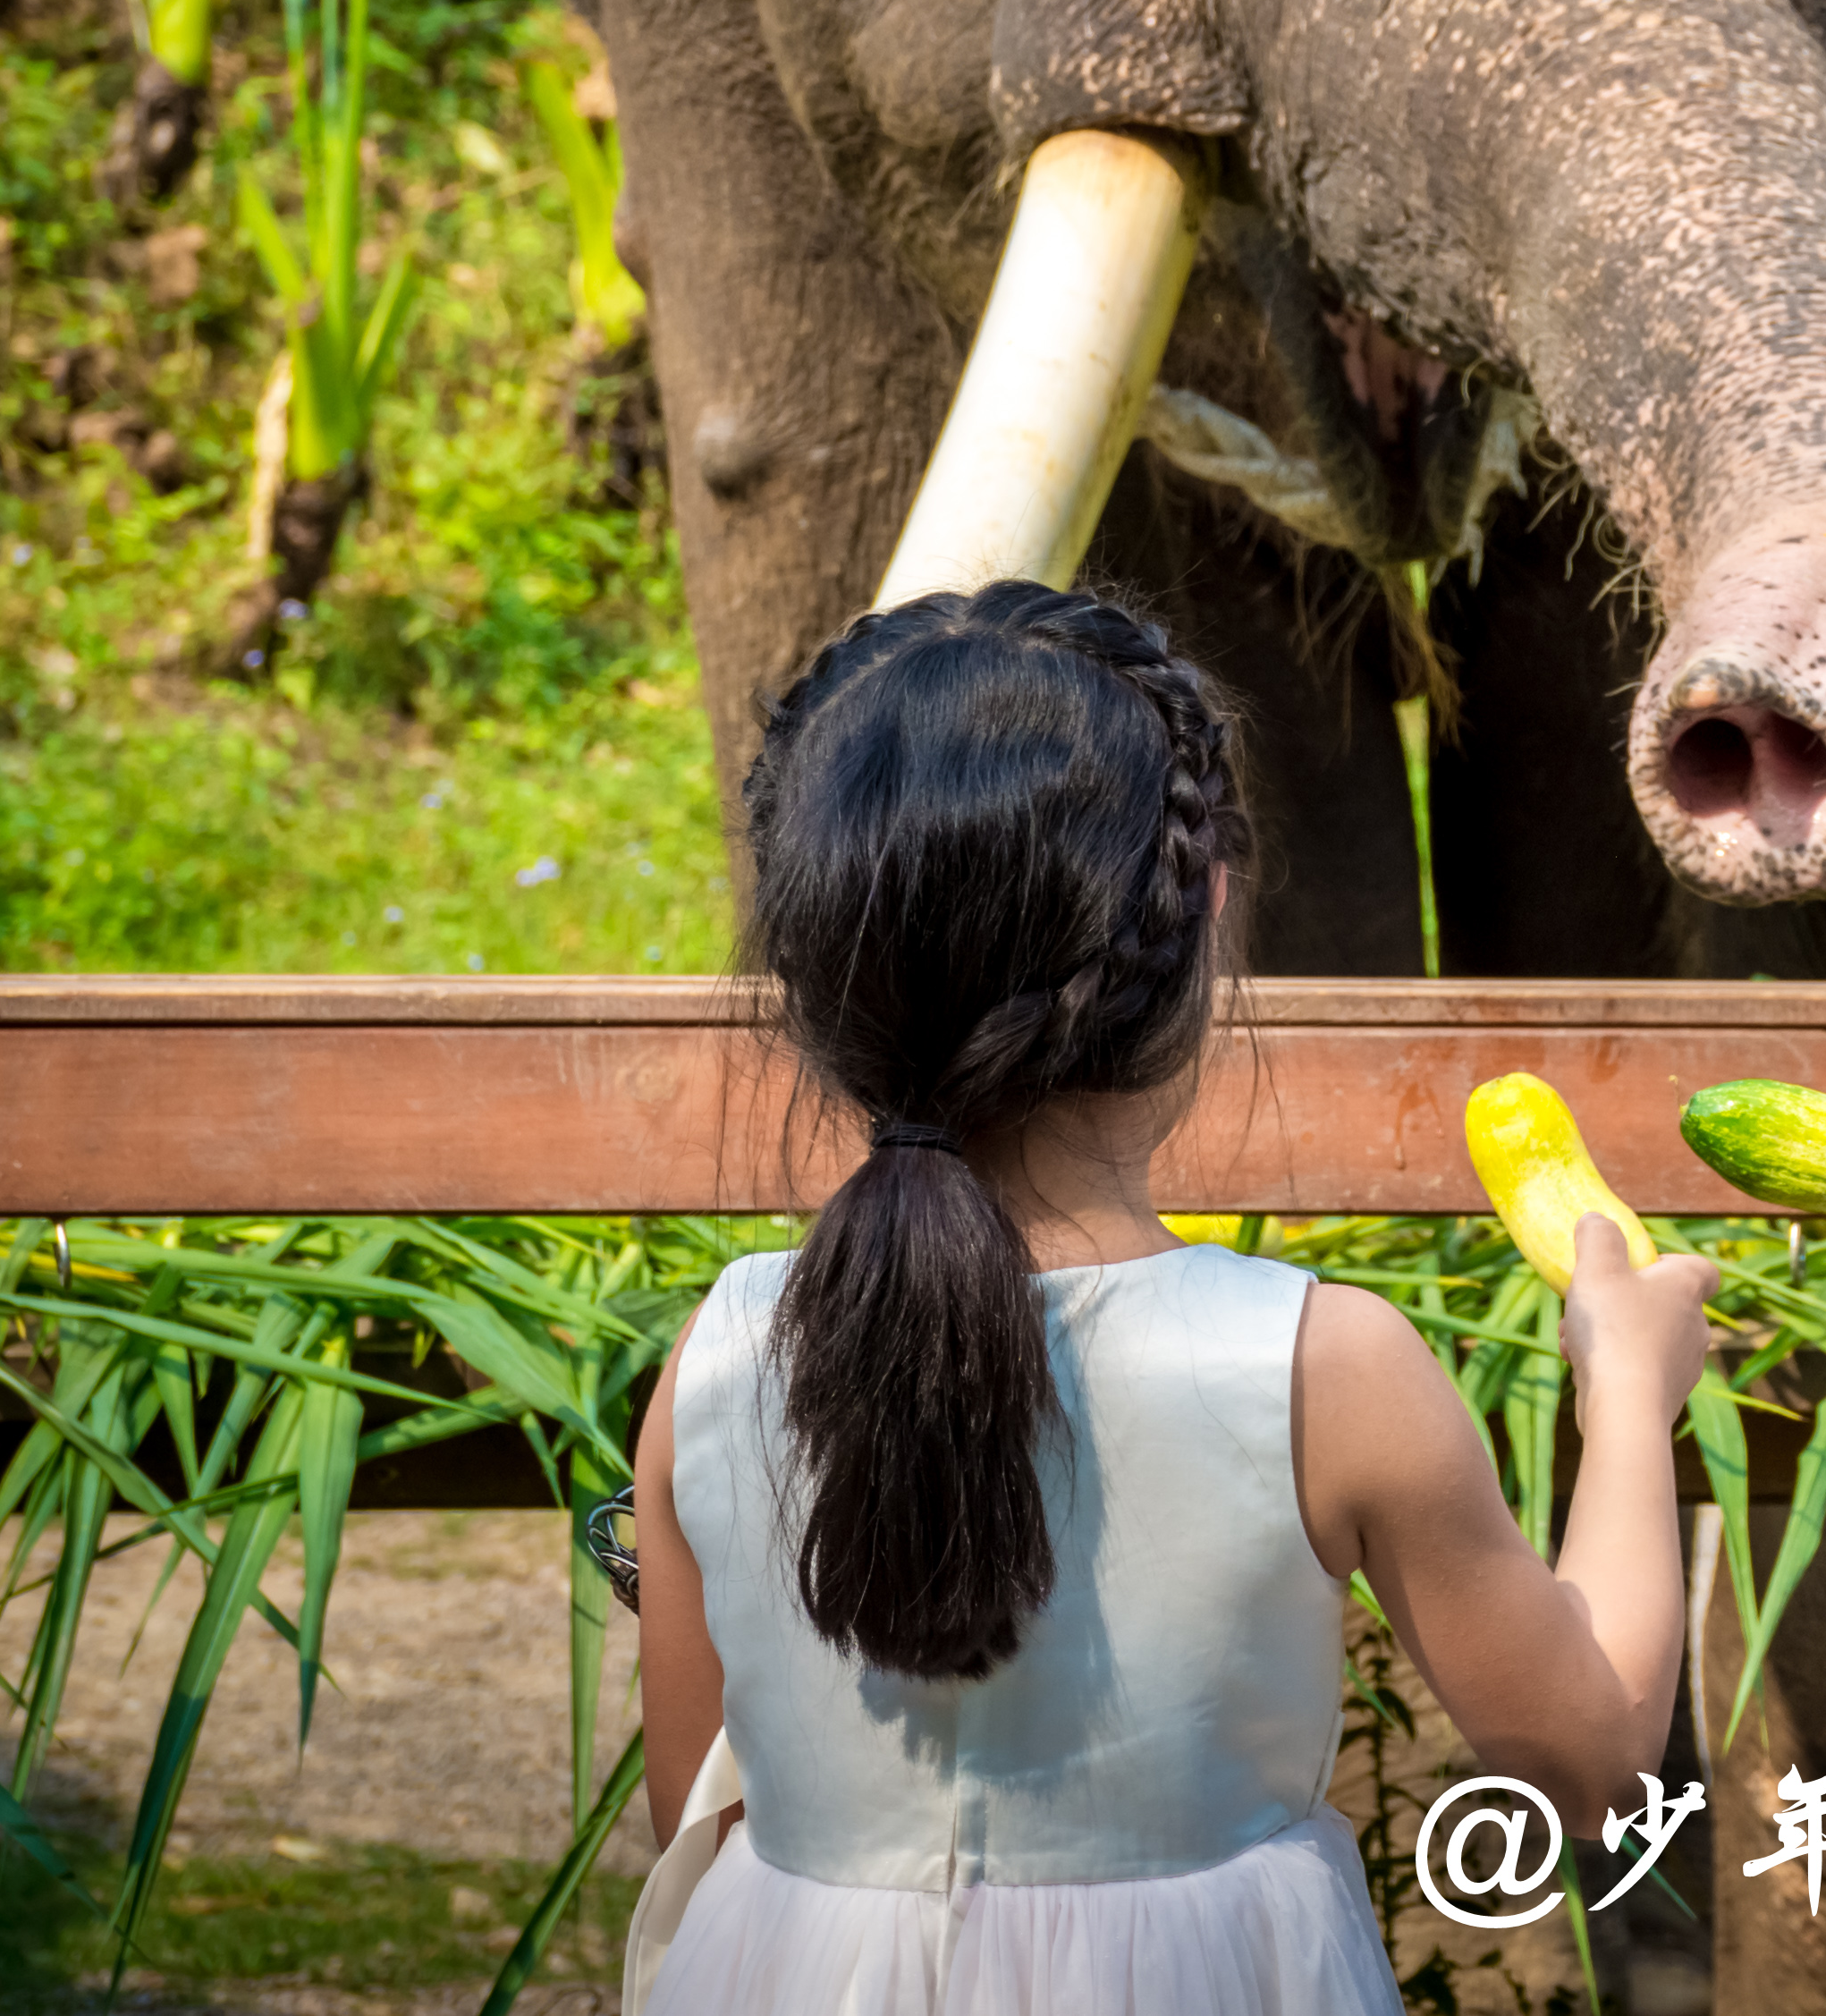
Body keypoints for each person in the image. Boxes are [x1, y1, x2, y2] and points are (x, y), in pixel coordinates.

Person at [631, 580, 1715, 2014]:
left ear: (814, 968)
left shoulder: (715, 1353)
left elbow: (687, 1809)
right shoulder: (1324, 1363)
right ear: (1202, 909)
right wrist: (1628, 1392)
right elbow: (1587, 1760)